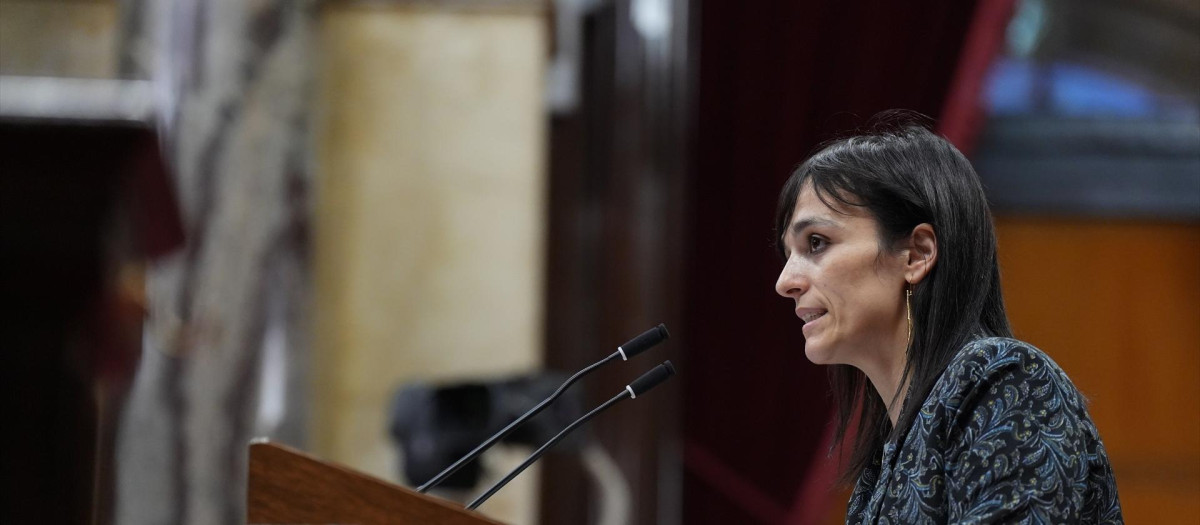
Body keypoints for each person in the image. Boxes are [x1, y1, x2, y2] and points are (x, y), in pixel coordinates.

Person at [773, 123, 1123, 523]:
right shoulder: (882, 464)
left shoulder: (1003, 380)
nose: (786, 282)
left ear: (917, 254)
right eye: (788, 254)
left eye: (816, 243)